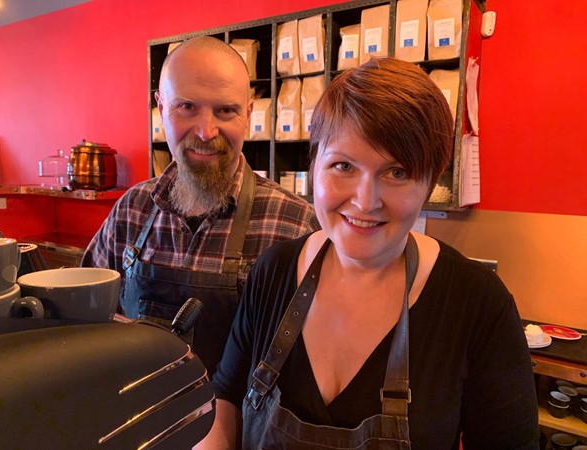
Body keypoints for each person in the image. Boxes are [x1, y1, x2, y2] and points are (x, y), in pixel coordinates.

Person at [198, 58, 539, 449]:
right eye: (343, 165)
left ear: (430, 181)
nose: (365, 201)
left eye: (396, 172)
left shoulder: (478, 304)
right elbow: (226, 400)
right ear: (314, 165)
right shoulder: (272, 272)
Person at [81, 36, 318, 375]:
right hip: (138, 418)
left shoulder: (294, 224)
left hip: (239, 428)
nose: (206, 131)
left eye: (225, 110)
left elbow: (309, 364)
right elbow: (88, 321)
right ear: (161, 108)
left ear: (248, 113)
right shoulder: (131, 211)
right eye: (187, 107)